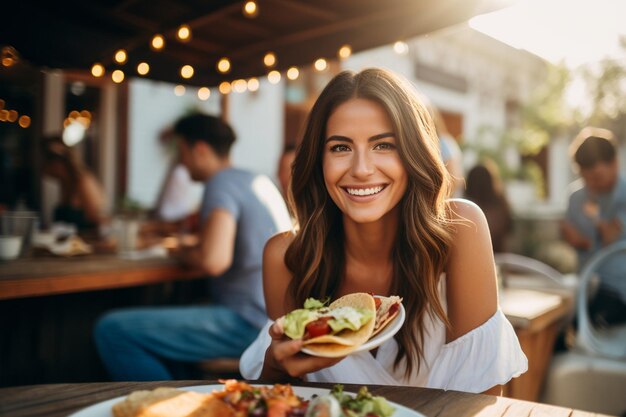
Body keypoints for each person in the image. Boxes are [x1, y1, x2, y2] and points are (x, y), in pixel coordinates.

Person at [239, 68, 527, 394]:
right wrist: (275, 369)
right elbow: (284, 401)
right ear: (318, 161)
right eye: (340, 148)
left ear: (413, 154)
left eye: (383, 145)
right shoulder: (285, 257)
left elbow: (482, 400)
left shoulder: (460, 230)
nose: (361, 169)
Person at [94, 113, 292, 381]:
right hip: (274, 320)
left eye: (182, 151)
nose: (181, 162)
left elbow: (214, 260)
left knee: (112, 330)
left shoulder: (220, 183)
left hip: (248, 322)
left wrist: (178, 251)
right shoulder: (256, 180)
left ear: (199, 150)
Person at [561, 127, 626, 326]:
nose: (591, 184)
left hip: (618, 290)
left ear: (614, 164)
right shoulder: (576, 197)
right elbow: (573, 236)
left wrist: (596, 222)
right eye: (585, 177)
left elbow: (609, 237)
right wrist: (572, 238)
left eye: (596, 177)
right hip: (587, 286)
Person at [41, 136, 106, 230]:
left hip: (85, 243)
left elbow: (99, 220)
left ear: (58, 163)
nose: (43, 166)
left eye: (46, 161)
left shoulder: (83, 182)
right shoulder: (65, 183)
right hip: (69, 243)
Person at [465, 160, 513, 253]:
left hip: (475, 257)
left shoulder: (466, 210)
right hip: (501, 258)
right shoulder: (502, 205)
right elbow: (509, 230)